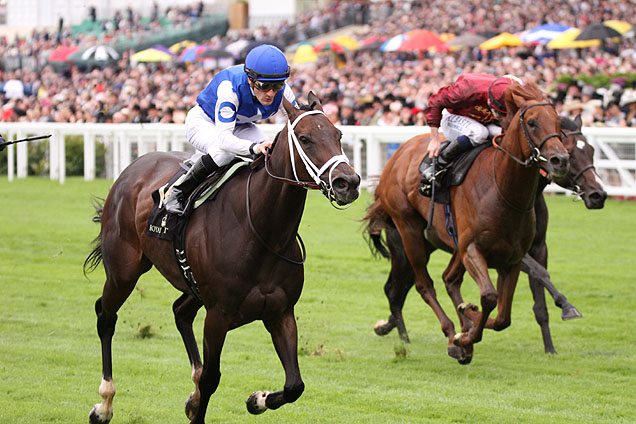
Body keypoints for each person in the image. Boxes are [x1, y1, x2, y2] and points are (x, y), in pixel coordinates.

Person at [163, 44, 297, 215]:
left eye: (277, 86)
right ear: (250, 80)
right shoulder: (230, 88)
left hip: (240, 125)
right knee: (223, 153)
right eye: (264, 86)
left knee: (271, 154)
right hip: (204, 121)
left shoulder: (283, 90)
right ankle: (178, 192)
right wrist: (254, 148)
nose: (271, 93)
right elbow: (224, 140)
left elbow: (298, 120)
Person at [419, 73, 523, 195]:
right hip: (454, 116)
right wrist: (434, 139)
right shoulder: (467, 88)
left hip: (483, 121)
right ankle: (438, 163)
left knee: (510, 135)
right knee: (479, 133)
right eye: (498, 113)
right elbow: (435, 101)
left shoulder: (516, 89)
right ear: (490, 101)